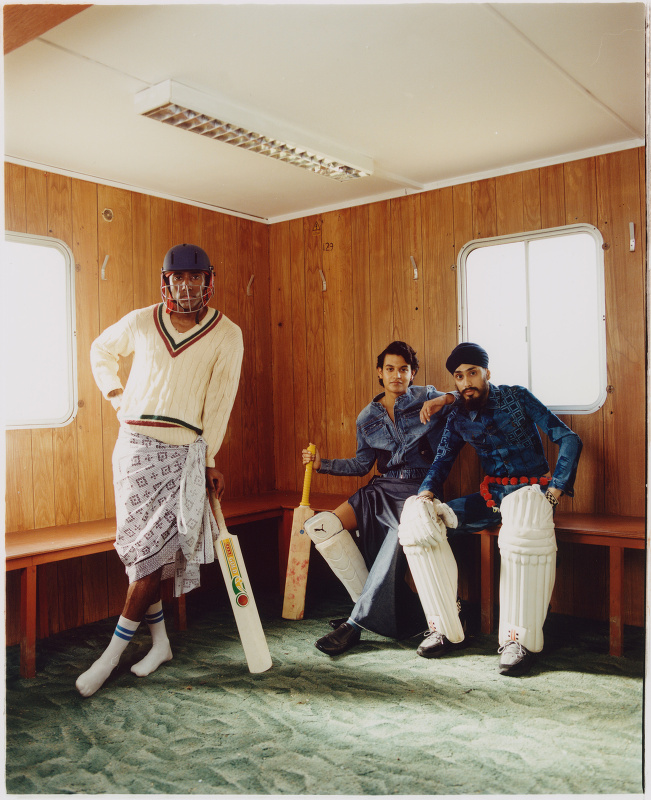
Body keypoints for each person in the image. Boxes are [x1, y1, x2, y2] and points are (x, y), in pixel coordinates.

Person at [76, 243, 243, 697]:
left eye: (195, 278)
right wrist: (115, 394)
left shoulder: (228, 335)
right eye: (178, 278)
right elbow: (100, 350)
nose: (187, 286)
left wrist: (209, 459)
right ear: (166, 281)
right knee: (137, 552)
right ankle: (162, 643)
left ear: (208, 281)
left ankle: (109, 658)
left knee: (154, 556)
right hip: (132, 450)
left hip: (182, 454)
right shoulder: (140, 320)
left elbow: (220, 401)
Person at [398, 342, 582, 676]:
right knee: (419, 522)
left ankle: (519, 639)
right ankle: (446, 625)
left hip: (532, 494)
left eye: (472, 373)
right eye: (459, 376)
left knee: (524, 518)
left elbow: (569, 438)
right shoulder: (457, 414)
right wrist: (425, 494)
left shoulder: (517, 396)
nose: (466, 382)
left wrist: (554, 492)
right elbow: (442, 461)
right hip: (491, 496)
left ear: (487, 373)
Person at [301, 341, 454, 656]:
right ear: (380, 373)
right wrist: (322, 465)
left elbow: (464, 398)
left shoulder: (427, 396)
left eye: (403, 369)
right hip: (381, 488)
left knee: (396, 538)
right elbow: (361, 465)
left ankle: (355, 623)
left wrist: (443, 400)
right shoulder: (367, 417)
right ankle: (371, 606)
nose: (397, 375)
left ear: (412, 373)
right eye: (390, 369)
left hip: (420, 490)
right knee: (323, 527)